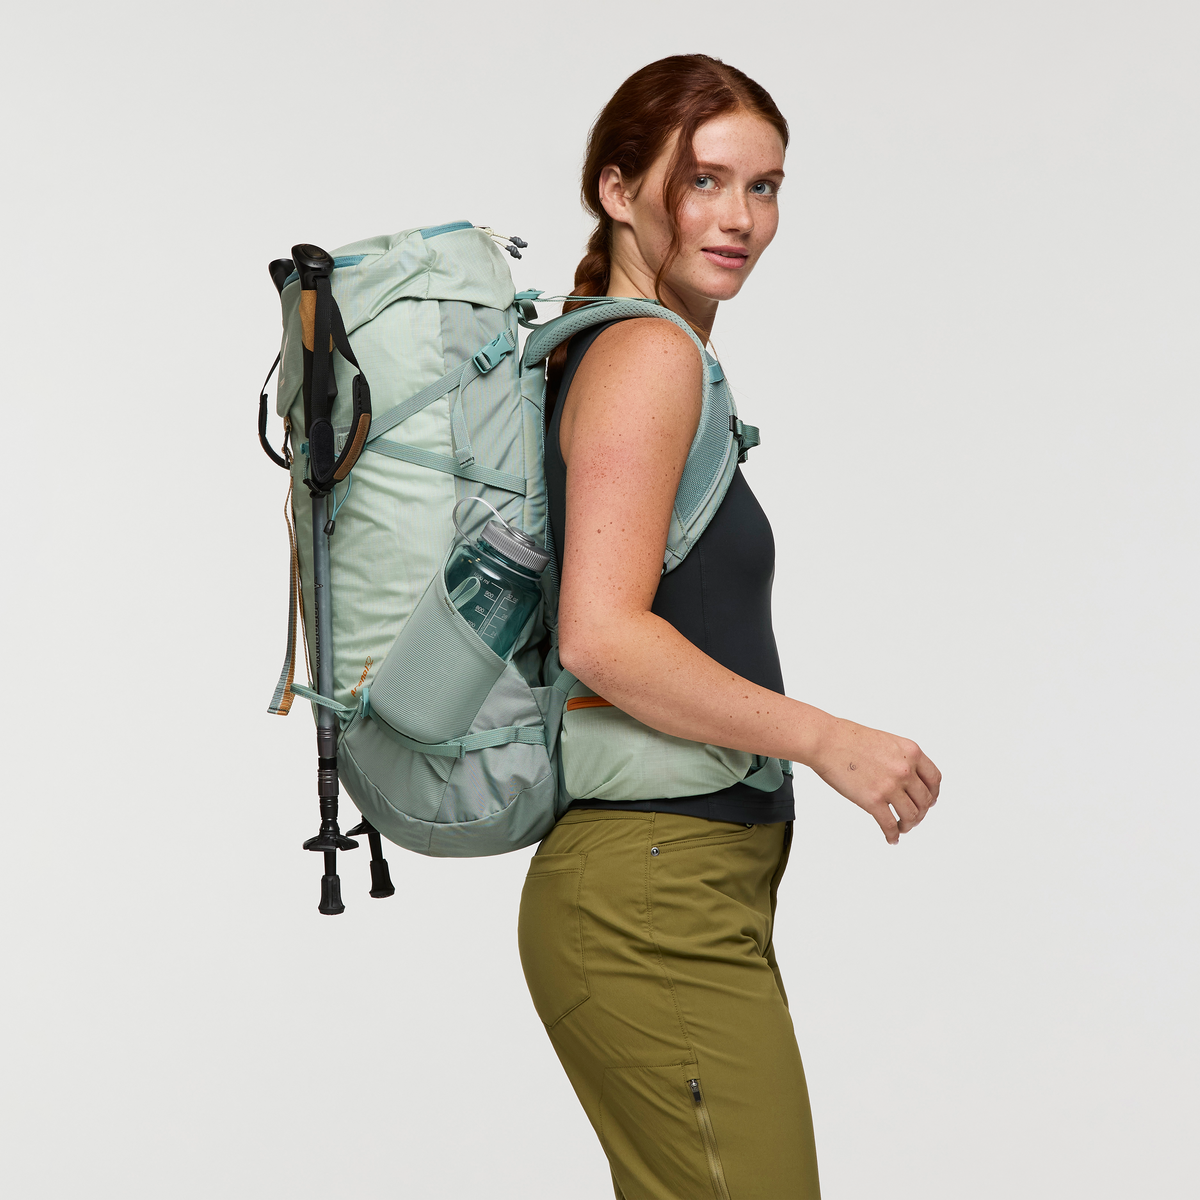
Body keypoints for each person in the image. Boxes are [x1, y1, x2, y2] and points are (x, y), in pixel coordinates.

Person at [517, 54, 941, 1200]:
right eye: (703, 180)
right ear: (617, 190)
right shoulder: (648, 355)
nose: (740, 218)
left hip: (677, 886)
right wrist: (825, 738)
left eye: (764, 187)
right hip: (654, 895)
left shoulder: (634, 349)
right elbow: (600, 635)